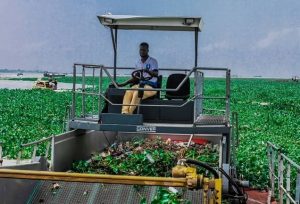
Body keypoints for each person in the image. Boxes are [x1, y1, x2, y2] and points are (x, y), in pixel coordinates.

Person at [118, 42, 159, 114]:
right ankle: (124, 112)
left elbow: (156, 74)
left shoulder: (153, 61)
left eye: (144, 50)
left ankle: (129, 114)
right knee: (128, 91)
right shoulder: (137, 62)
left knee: (137, 92)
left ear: (147, 50)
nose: (142, 52)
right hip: (140, 85)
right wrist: (123, 84)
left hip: (150, 86)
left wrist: (148, 71)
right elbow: (136, 77)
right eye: (141, 50)